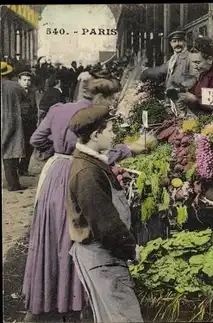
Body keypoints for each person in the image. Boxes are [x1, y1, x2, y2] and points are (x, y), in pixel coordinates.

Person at [22, 70, 145, 322]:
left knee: (53, 236)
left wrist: (57, 152)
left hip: (55, 172)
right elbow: (100, 152)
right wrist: (127, 149)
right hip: (75, 170)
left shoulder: (58, 109)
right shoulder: (94, 120)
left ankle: (49, 299)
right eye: (111, 99)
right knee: (79, 234)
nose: (112, 104)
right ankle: (79, 300)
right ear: (101, 95)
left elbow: (36, 139)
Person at [67, 105, 144, 323]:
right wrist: (131, 250)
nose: (114, 134)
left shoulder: (91, 161)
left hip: (102, 253)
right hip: (102, 256)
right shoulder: (87, 173)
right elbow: (106, 225)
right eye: (109, 130)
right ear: (95, 135)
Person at [1, 62, 27, 191]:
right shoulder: (15, 86)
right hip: (12, 120)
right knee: (10, 154)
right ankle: (13, 184)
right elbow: (24, 97)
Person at [18, 71, 38, 176]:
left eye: (29, 80)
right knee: (18, 146)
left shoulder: (31, 92)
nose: (27, 82)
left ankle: (23, 169)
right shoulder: (16, 92)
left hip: (30, 124)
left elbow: (34, 108)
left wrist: (35, 120)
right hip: (20, 123)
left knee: (29, 146)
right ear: (19, 81)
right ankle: (14, 170)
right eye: (24, 80)